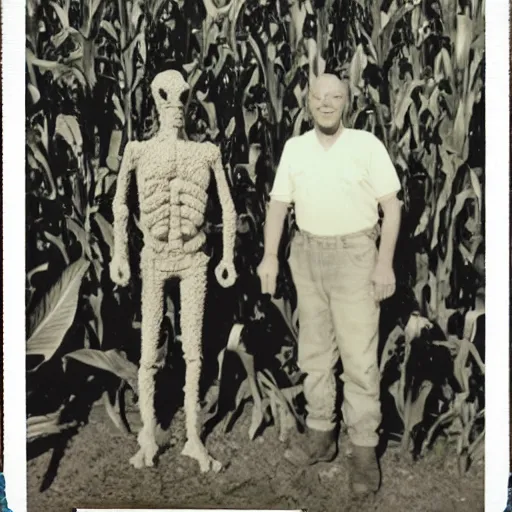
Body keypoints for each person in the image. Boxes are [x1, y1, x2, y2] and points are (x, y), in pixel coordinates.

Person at [256, 73, 402, 495]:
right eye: (319, 97)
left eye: (335, 97)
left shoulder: (366, 145)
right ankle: (321, 435)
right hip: (307, 254)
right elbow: (278, 205)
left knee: (359, 357)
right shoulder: (295, 148)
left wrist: (384, 265)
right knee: (315, 352)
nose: (326, 104)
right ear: (308, 103)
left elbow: (391, 208)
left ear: (347, 102)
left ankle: (363, 450)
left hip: (356, 256)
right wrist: (269, 256)